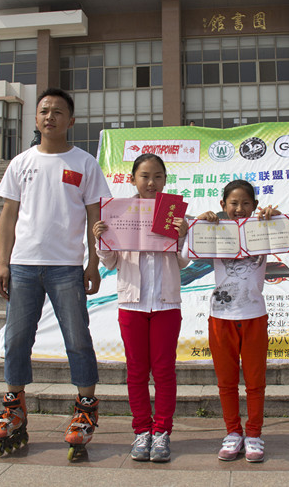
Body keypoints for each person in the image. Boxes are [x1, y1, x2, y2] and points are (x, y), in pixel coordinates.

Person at [0, 87, 111, 457]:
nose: (50, 117)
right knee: (16, 339)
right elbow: (8, 216)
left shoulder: (84, 163)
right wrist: (3, 262)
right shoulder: (21, 163)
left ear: (70, 121)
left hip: (66, 267)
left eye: (58, 112)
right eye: (44, 111)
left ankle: (85, 411)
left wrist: (93, 263)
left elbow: (95, 217)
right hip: (23, 265)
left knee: (77, 339)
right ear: (36, 118)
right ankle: (14, 409)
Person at [92, 153, 189, 463]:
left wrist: (184, 235)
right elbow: (110, 262)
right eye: (145, 176)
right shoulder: (120, 212)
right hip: (132, 304)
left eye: (158, 176)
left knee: (164, 371)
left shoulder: (173, 213)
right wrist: (102, 239)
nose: (151, 182)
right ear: (133, 179)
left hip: (165, 303)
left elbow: (184, 262)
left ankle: (162, 432)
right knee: (136, 370)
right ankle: (141, 431)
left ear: (165, 180)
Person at [195, 180, 279, 463]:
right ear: (223, 205)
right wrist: (199, 225)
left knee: (255, 382)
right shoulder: (215, 231)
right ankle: (233, 432)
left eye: (245, 203)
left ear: (255, 206)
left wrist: (276, 217)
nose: (239, 208)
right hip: (221, 317)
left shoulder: (263, 229)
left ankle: (254, 434)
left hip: (254, 315)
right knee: (226, 382)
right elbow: (185, 254)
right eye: (233, 203)